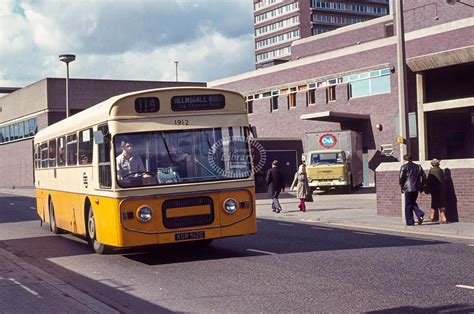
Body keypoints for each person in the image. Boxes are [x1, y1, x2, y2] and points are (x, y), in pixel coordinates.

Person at [399, 153, 426, 225]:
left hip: (408, 188)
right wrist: (421, 185)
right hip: (416, 188)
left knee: (408, 205)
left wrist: (402, 187)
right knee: (413, 202)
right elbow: (424, 176)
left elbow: (401, 178)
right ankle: (419, 214)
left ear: (405, 159)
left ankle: (410, 221)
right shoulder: (418, 167)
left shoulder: (404, 167)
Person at [426, 158, 447, 224]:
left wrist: (427, 189)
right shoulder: (441, 171)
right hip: (441, 189)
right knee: (441, 203)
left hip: (434, 190)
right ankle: (443, 218)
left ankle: (432, 217)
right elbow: (444, 179)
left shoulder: (432, 171)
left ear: (432, 164)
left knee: (434, 203)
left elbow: (429, 180)